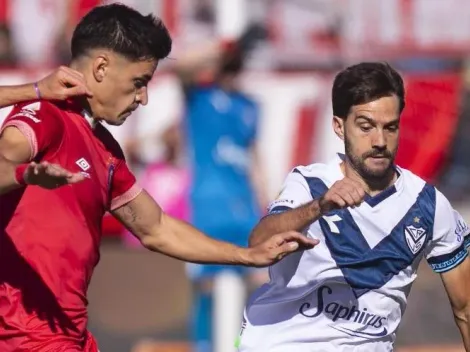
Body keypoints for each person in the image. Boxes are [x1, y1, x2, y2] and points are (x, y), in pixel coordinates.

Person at [0, 4, 317, 352]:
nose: (144, 98)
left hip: (69, 336)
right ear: (101, 68)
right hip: (22, 336)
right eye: (139, 83)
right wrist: (24, 174)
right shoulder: (45, 117)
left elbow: (157, 228)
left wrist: (246, 254)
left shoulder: (104, 149)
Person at [237, 62, 470, 351]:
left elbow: (466, 308)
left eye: (390, 127)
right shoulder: (310, 184)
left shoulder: (429, 205)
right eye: (366, 127)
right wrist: (319, 207)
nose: (380, 141)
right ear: (339, 126)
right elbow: (258, 242)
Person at [173, 28, 269, 352]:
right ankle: (205, 345)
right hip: (208, 206)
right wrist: (223, 44)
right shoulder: (197, 97)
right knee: (206, 284)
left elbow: (255, 159)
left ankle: (250, 345)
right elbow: (182, 65)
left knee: (261, 283)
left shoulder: (250, 105)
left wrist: (267, 205)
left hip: (244, 207)